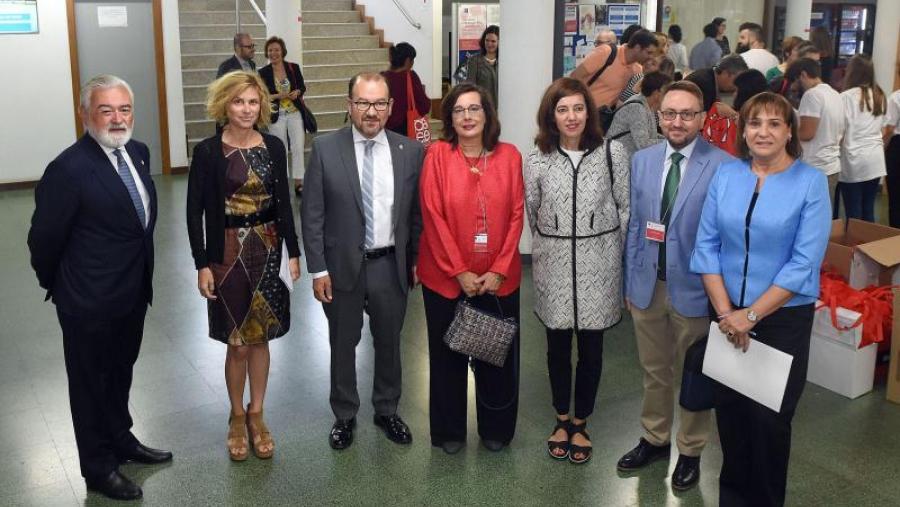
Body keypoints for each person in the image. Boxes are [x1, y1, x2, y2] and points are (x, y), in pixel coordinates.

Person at [27, 75, 172, 501]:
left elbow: (137, 226)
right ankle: (97, 467)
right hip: (87, 302)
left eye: (124, 109)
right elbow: (43, 239)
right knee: (90, 383)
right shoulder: (69, 169)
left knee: (120, 373)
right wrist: (63, 287)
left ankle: (121, 439)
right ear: (85, 114)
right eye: (105, 110)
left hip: (132, 294)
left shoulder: (139, 154)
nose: (117, 118)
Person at [690, 91, 831, 506]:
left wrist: (750, 316)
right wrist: (726, 314)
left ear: (790, 131)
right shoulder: (728, 176)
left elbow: (803, 263)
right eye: (754, 123)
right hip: (726, 312)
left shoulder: (810, 183)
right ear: (743, 130)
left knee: (768, 425)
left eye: (774, 123)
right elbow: (707, 246)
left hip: (781, 320)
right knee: (731, 419)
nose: (763, 132)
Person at [619, 80, 734, 491]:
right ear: (658, 116)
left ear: (702, 118)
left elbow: (725, 239)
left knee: (695, 374)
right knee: (654, 371)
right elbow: (635, 225)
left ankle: (690, 450)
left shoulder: (722, 166)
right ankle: (654, 438)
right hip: (649, 285)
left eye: (687, 114)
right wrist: (631, 281)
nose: (677, 122)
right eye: (669, 113)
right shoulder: (644, 160)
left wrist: (719, 299)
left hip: (696, 291)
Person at [300, 72, 424, 451]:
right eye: (364, 103)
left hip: (390, 265)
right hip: (340, 268)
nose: (372, 111)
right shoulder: (325, 148)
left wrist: (414, 260)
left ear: (390, 108)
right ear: (349, 105)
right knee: (343, 341)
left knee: (389, 341)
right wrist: (318, 269)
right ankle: (345, 414)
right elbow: (313, 214)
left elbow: (416, 215)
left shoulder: (410, 151)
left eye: (380, 104)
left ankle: (387, 409)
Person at [187, 71, 301, 462]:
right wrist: (201, 263)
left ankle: (257, 414)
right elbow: (194, 213)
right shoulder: (207, 151)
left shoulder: (272, 145)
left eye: (253, 102)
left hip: (268, 249)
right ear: (224, 105)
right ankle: (236, 416)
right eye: (238, 102)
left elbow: (285, 202)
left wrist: (294, 252)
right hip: (226, 254)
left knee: (261, 337)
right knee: (237, 343)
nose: (247, 109)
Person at [524, 78, 629, 464]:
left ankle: (581, 421)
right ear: (551, 115)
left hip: (598, 265)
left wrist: (607, 254)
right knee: (555, 348)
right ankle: (561, 417)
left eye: (578, 108)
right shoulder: (536, 157)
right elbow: (532, 210)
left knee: (591, 350)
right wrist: (552, 245)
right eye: (563, 109)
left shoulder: (612, 153)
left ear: (590, 111)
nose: (572, 117)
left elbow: (625, 208)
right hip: (553, 264)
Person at [418, 83, 524, 455]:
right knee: (447, 358)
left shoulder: (510, 156)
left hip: (499, 279)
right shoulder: (436, 156)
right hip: (446, 280)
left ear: (487, 114)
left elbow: (515, 215)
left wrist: (499, 268)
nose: (467, 116)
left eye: (474, 109)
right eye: (459, 110)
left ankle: (496, 427)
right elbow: (432, 215)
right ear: (449, 118)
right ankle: (449, 431)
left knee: (496, 354)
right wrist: (458, 270)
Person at [786, 57, 845, 210]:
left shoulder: (812, 95)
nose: (793, 87)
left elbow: (807, 133)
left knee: (809, 216)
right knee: (823, 216)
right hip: (831, 165)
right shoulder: (835, 95)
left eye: (794, 80)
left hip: (815, 165)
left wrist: (785, 133)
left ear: (803, 75)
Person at [839, 56, 886, 222]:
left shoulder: (845, 97)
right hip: (876, 159)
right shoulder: (879, 95)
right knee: (868, 210)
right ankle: (869, 247)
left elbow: (841, 132)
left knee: (853, 214)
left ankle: (854, 247)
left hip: (854, 161)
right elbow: (883, 127)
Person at [259, 36, 308, 196]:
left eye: (277, 50)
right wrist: (277, 96)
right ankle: (282, 181)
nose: (273, 53)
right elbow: (262, 95)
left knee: (298, 147)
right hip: (276, 115)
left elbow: (302, 86)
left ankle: (299, 182)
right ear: (267, 53)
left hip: (295, 113)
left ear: (283, 52)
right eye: (270, 50)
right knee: (280, 149)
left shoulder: (293, 67)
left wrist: (298, 92)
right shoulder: (263, 72)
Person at [571, 29, 658, 111]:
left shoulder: (637, 70)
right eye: (648, 52)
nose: (651, 57)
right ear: (637, 48)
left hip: (603, 118)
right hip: (583, 110)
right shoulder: (606, 52)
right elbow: (575, 77)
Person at [607, 71, 672, 158]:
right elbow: (643, 144)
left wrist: (670, 139)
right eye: (667, 91)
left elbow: (651, 135)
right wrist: (669, 142)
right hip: (618, 161)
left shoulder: (646, 105)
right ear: (657, 92)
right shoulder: (636, 107)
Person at [381, 42, 431, 137]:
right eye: (413, 60)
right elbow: (424, 106)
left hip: (384, 131)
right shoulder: (410, 77)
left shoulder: (382, 77)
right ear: (408, 60)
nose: (413, 63)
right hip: (405, 131)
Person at [464, 25, 500, 108]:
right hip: (482, 108)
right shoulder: (474, 60)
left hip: (503, 110)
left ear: (499, 42)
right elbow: (470, 87)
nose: (489, 44)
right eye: (487, 40)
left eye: (493, 41)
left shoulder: (505, 62)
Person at [885, 73, 900, 228]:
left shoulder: (896, 98)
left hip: (897, 147)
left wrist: (882, 147)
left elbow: (889, 129)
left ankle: (895, 237)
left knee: (895, 197)